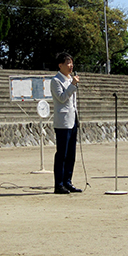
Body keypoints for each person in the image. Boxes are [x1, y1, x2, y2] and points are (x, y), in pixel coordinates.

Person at [50, 52, 82, 194]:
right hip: (62, 122)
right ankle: (59, 184)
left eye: (72, 63)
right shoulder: (56, 81)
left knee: (71, 154)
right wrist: (73, 85)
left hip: (73, 119)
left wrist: (72, 83)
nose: (71, 66)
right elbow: (62, 98)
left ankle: (68, 181)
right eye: (68, 63)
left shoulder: (70, 79)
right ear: (60, 65)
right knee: (61, 154)